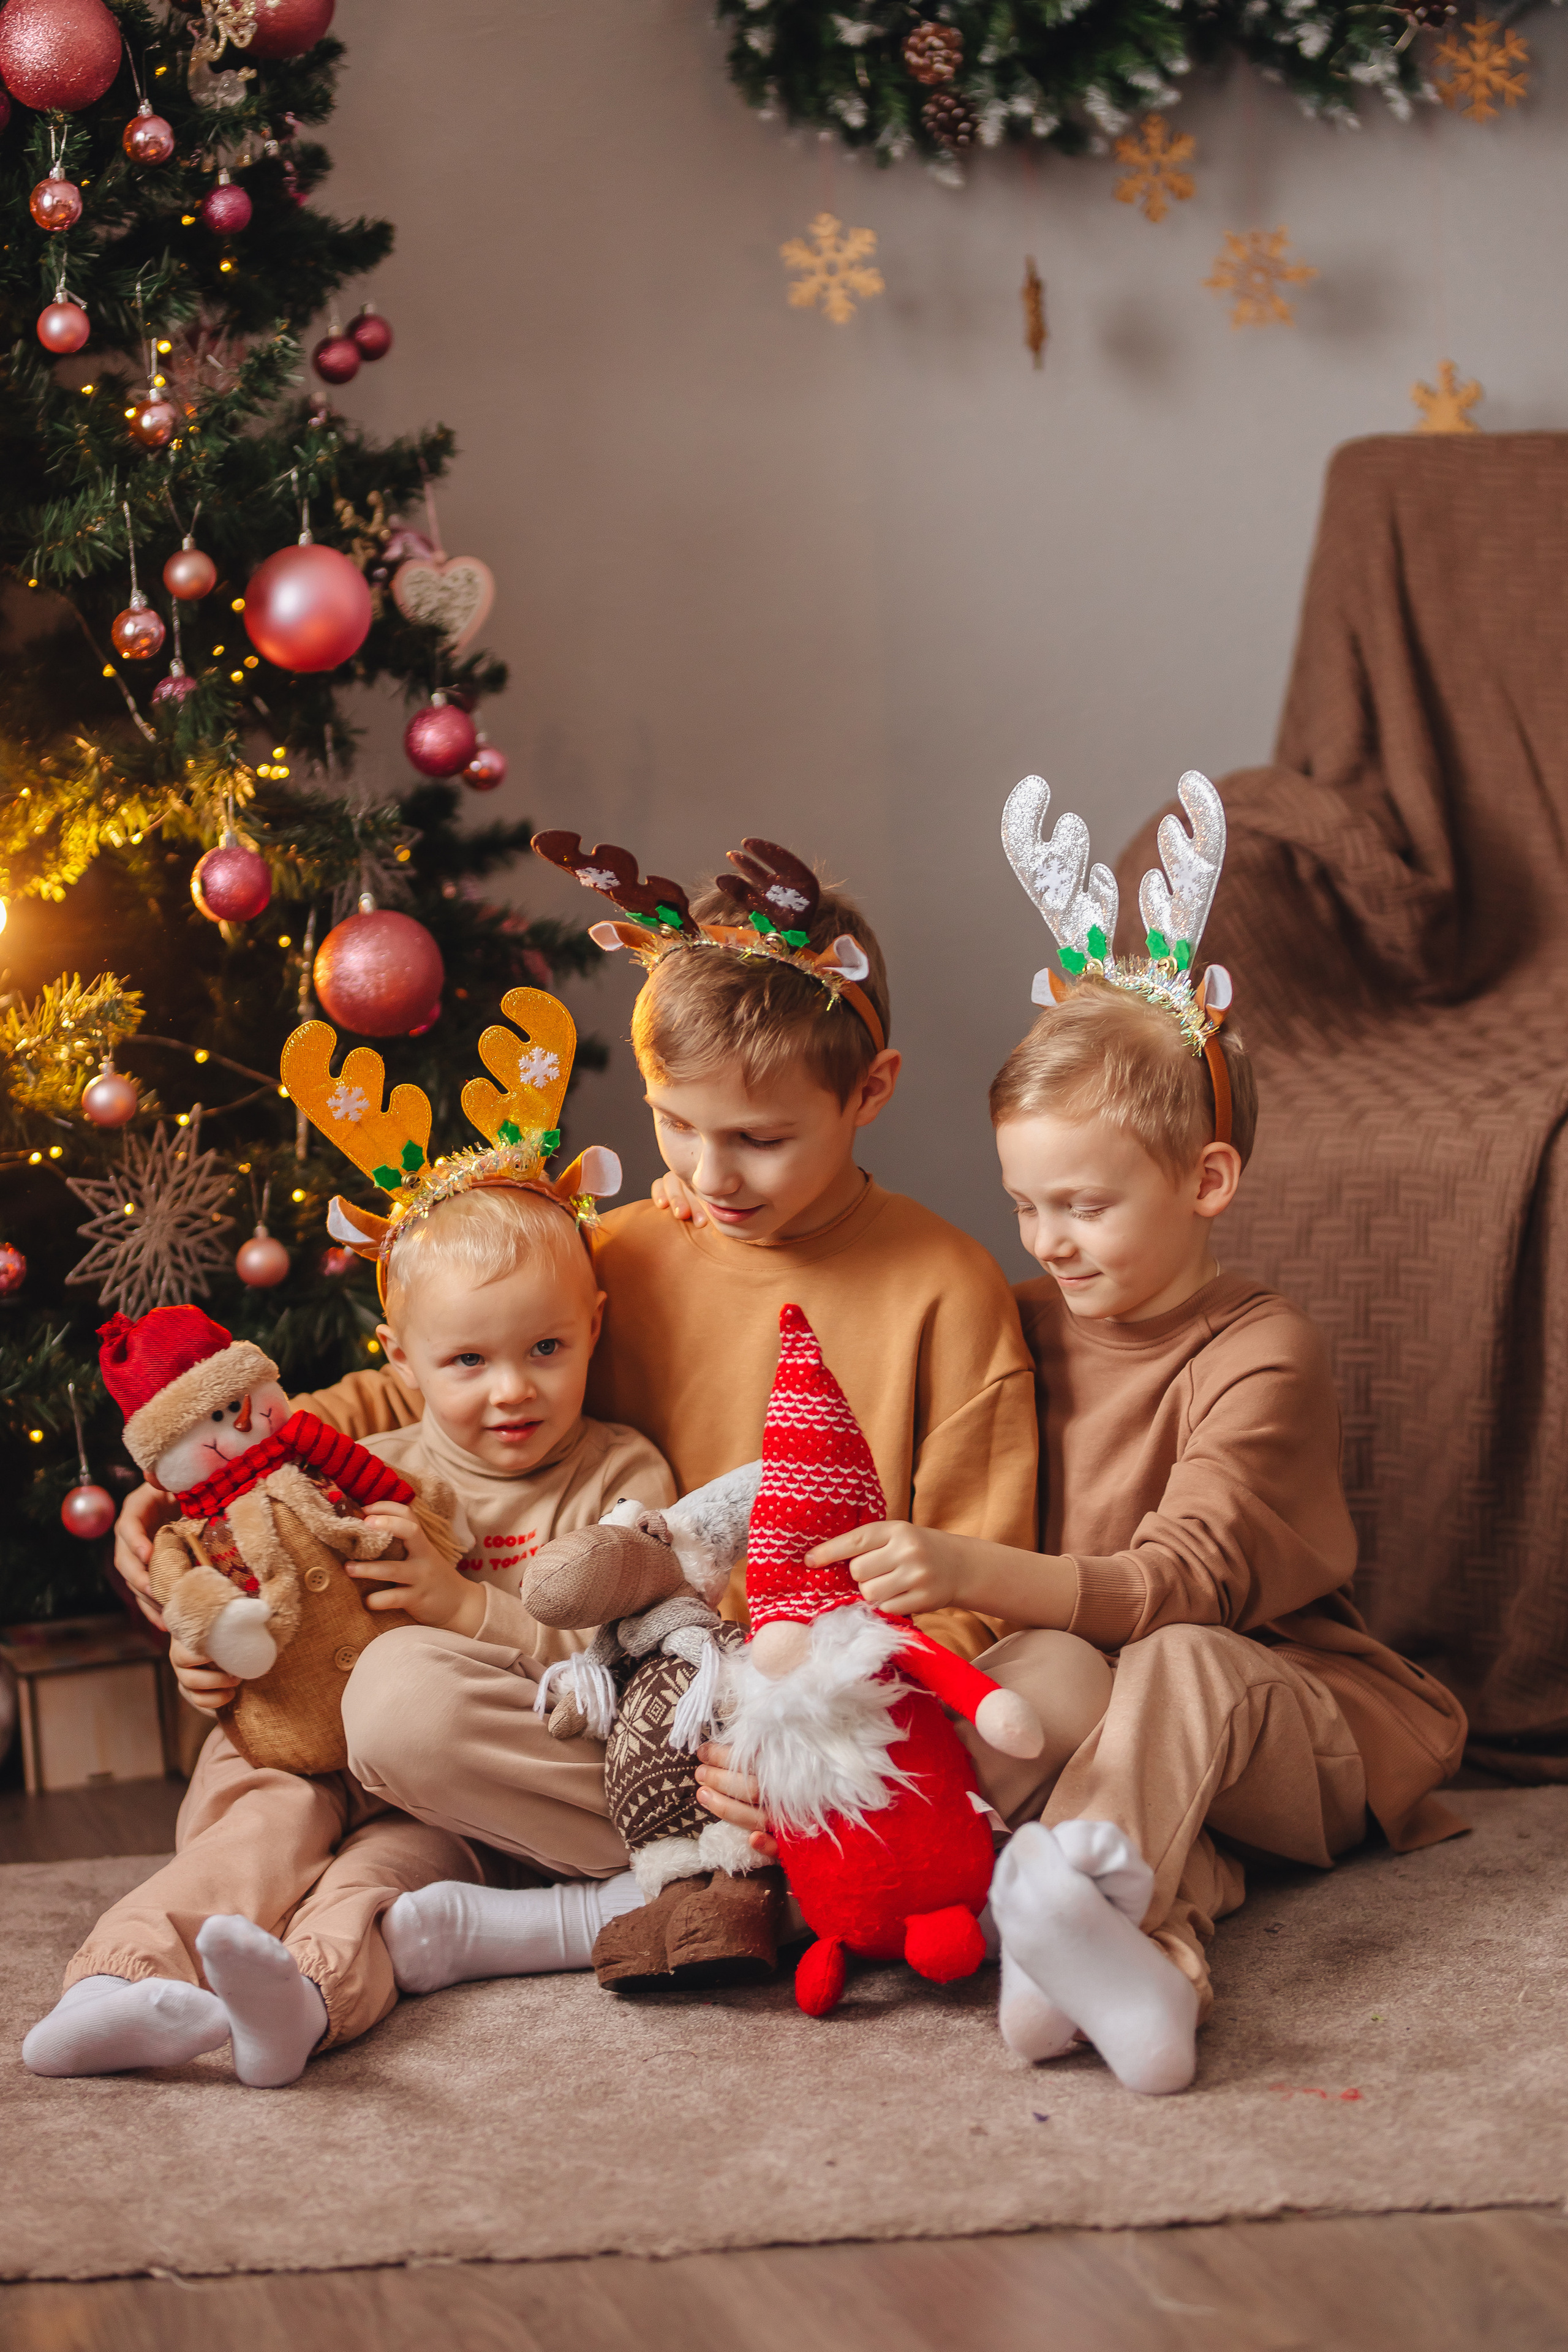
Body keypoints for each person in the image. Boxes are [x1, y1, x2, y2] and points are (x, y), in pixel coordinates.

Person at [697, 777, 1469, 2095]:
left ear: (1205, 1181)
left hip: (1285, 1715)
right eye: (1024, 1204)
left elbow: (1182, 1584)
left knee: (1178, 1660)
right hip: (1096, 1723)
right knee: (1028, 1688)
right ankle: (1131, 1966)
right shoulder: (1009, 1319)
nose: (1048, 1240)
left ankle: (1076, 1904)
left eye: (1086, 1207)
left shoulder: (1259, 1350)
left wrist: (963, 1568)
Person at [25, 1181, 668, 2087]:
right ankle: (114, 1983)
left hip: (469, 1785)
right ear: (401, 1359)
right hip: (316, 1751)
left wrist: (466, 1607)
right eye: (468, 1360)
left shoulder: (622, 1475)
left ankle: (307, 1996)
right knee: (257, 1827)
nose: (513, 1389)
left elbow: (640, 1667)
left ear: (594, 1326)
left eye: (548, 1348)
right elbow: (257, 1597)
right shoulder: (354, 1473)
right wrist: (206, 1660)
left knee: (380, 1876)